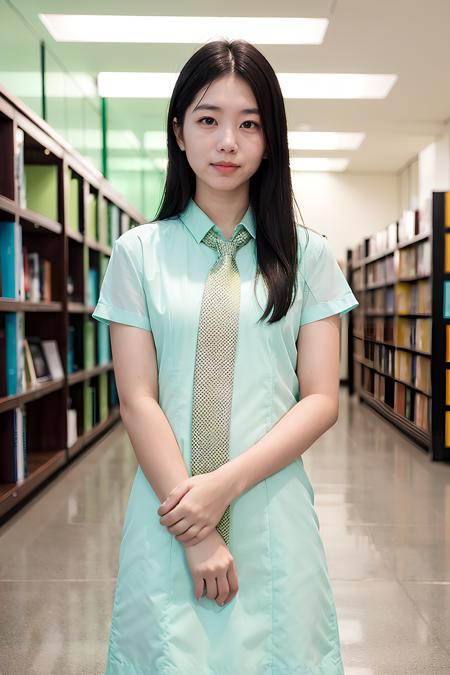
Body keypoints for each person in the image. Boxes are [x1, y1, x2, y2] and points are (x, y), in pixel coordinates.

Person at [92, 38, 359, 675]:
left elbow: (321, 398)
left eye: (249, 124)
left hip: (272, 509)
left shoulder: (310, 257)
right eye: (208, 120)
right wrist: (196, 523)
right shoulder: (137, 254)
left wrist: (223, 488)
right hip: (169, 507)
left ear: (271, 141)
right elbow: (138, 398)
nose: (227, 143)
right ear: (178, 132)